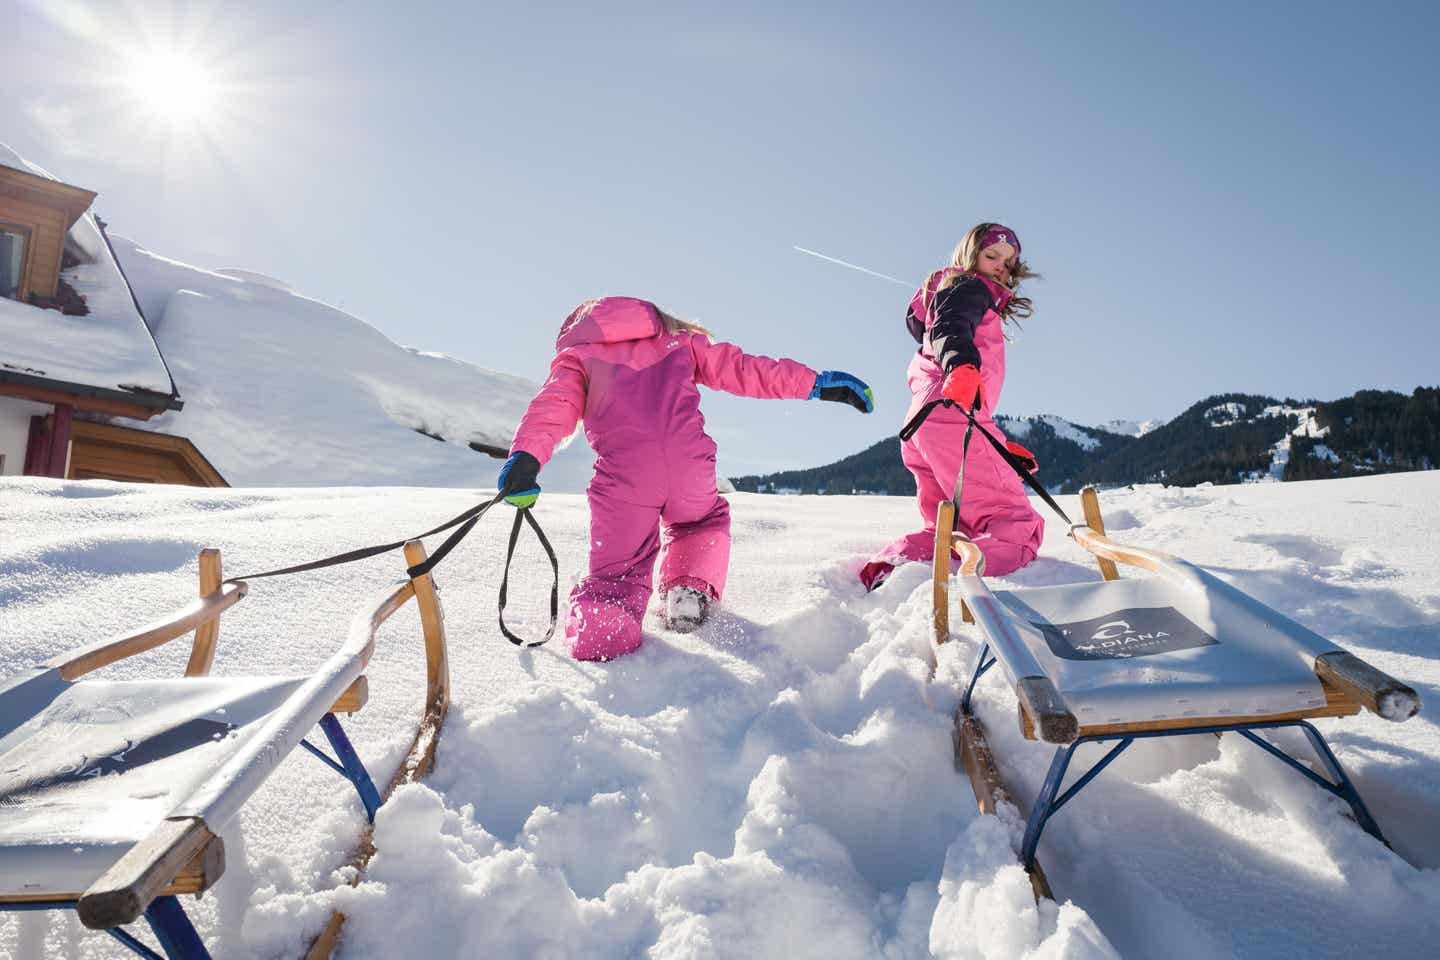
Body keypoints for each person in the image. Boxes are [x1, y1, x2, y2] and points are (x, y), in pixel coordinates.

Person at [498, 296, 873, 661]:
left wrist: (525, 458)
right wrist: (815, 383)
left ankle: (604, 633)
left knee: (617, 573)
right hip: (688, 463)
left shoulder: (578, 357)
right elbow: (746, 370)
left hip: (625, 475)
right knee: (698, 522)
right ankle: (688, 588)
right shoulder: (678, 340)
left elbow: (553, 408)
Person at [861, 223, 1043, 591]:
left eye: (1009, 263)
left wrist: (1000, 451)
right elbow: (951, 328)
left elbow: (945, 343)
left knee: (950, 525)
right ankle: (940, 587)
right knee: (1016, 531)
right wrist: (961, 364)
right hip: (951, 415)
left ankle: (896, 572)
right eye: (991, 256)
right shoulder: (966, 286)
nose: (999, 268)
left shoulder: (947, 295)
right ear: (969, 255)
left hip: (926, 425)